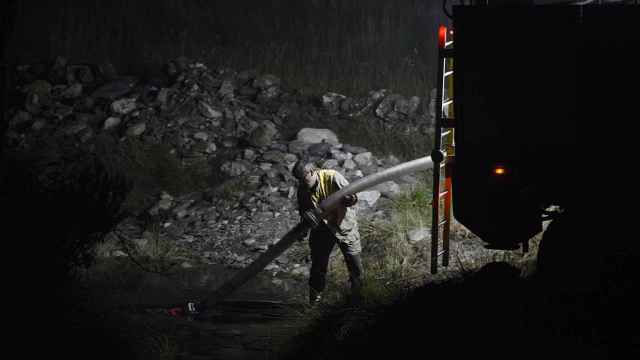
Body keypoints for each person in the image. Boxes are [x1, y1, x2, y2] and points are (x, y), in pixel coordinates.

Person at [292, 160, 364, 306]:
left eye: (303, 178)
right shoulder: (302, 189)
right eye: (298, 179)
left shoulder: (332, 177)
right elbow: (303, 212)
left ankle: (358, 299)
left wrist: (349, 199)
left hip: (343, 226)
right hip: (321, 230)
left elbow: (354, 197)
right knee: (318, 266)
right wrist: (303, 227)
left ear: (312, 172)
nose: (301, 182)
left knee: (355, 265)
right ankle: (314, 303)